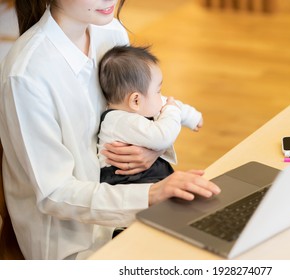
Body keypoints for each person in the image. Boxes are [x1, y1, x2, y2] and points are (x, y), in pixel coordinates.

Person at [0, 0, 220, 260]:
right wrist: (151, 194)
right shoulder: (26, 75)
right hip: (75, 241)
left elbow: (136, 109)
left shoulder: (111, 32)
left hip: (130, 200)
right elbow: (54, 194)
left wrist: (150, 149)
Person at [98, 45, 203, 185]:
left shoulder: (141, 105)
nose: (161, 95)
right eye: (158, 91)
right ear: (136, 100)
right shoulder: (119, 121)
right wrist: (172, 111)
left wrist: (192, 117)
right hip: (127, 182)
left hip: (147, 173)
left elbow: (170, 104)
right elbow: (163, 136)